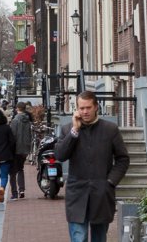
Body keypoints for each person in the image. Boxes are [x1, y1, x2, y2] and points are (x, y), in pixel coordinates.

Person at [54, 91, 130, 242]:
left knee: (99, 238)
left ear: (96, 107)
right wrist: (74, 131)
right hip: (77, 194)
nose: (85, 112)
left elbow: (123, 159)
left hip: (101, 193)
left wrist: (110, 182)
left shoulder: (110, 129)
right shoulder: (67, 129)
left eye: (88, 107)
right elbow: (60, 155)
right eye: (81, 108)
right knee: (79, 237)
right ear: (76, 109)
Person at [9, 102, 32, 200]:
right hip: (25, 149)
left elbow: (12, 135)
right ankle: (22, 190)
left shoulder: (15, 120)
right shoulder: (28, 120)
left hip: (17, 148)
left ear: (17, 108)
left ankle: (14, 193)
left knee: (13, 171)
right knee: (20, 169)